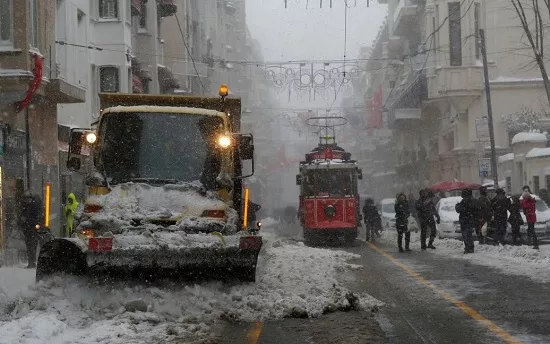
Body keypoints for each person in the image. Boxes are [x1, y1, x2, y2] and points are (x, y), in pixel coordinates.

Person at [19, 192, 43, 268]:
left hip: (31, 229)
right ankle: (31, 262)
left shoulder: (33, 206)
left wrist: (36, 225)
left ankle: (32, 262)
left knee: (32, 246)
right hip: (28, 229)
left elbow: (37, 216)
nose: (27, 200)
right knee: (29, 246)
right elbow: (22, 217)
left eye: (28, 198)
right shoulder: (25, 206)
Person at [455, 189, 480, 254]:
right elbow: (477, 210)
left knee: (466, 235)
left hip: (465, 220)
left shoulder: (465, 201)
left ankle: (468, 248)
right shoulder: (474, 200)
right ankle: (470, 247)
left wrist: (457, 205)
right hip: (471, 220)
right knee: (469, 234)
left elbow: (459, 209)